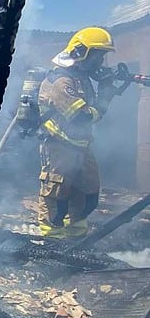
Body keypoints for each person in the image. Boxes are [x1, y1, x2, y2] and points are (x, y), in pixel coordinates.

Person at [36, 27, 122, 238]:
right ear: (80, 52)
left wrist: (105, 86)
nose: (100, 62)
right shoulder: (61, 82)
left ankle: (76, 237)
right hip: (59, 146)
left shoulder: (80, 78)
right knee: (56, 197)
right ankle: (51, 241)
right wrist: (104, 98)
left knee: (88, 195)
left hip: (81, 146)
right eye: (97, 56)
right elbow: (80, 117)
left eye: (102, 56)